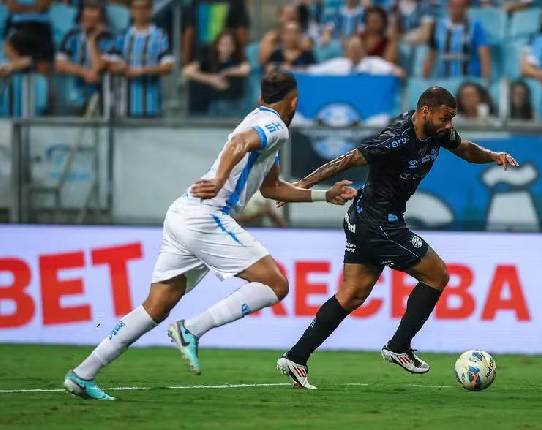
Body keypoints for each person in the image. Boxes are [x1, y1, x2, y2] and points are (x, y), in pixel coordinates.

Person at [63, 71, 357, 401]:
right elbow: (238, 143)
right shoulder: (275, 125)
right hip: (206, 216)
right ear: (294, 101)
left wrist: (323, 196)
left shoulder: (260, 120)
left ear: (261, 96)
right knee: (276, 284)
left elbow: (272, 188)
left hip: (183, 214)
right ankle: (192, 329)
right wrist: (218, 180)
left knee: (156, 307)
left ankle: (82, 373)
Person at [276, 86, 518, 389]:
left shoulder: (438, 133)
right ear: (426, 111)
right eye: (445, 118)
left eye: (452, 119)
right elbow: (349, 159)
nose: (449, 125)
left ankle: (296, 357)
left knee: (352, 294)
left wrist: (493, 156)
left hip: (367, 218)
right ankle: (399, 346)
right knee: (436, 275)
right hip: (379, 223)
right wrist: (302, 186)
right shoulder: (396, 137)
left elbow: (467, 150)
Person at [111, 0, 173, 118]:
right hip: (125, 105)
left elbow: (168, 66)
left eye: (144, 8)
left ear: (151, 11)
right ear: (131, 11)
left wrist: (141, 71)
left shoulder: (160, 35)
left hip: (153, 105)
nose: (141, 12)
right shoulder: (122, 35)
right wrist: (122, 68)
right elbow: (111, 64)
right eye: (137, 8)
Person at [55, 0, 116, 113]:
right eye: (86, 10)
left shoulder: (109, 39)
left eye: (94, 10)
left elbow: (98, 67)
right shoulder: (72, 35)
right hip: (74, 95)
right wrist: (84, 72)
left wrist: (92, 41)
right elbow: (60, 64)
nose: (89, 15)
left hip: (100, 97)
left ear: (101, 15)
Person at [184, 30, 251, 116]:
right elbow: (187, 71)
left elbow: (246, 69)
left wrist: (226, 72)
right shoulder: (208, 60)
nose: (226, 47)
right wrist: (212, 79)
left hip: (231, 104)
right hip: (210, 103)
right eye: (223, 43)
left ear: (234, 47)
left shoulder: (237, 62)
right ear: (217, 45)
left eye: (229, 44)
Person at [423, 0, 491, 80]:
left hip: (469, 82)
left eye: (460, 7)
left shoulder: (475, 26)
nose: (456, 10)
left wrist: (485, 82)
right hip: (444, 82)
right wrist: (424, 79)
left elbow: (484, 56)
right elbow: (430, 57)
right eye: (453, 6)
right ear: (449, 7)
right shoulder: (438, 27)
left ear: (466, 8)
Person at [182, 0, 250, 65]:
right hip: (200, 60)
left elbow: (241, 32)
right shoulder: (196, 2)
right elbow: (189, 30)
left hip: (224, 61)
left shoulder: (236, 2)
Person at [307, 35, 405, 77]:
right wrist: (293, 69)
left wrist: (398, 73)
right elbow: (314, 70)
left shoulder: (374, 62)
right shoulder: (338, 63)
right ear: (347, 52)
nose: (355, 52)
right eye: (352, 49)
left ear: (363, 50)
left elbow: (397, 71)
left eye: (357, 49)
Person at [2, 0, 53, 75]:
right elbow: (12, 7)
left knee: (45, 66)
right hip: (17, 26)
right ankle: (25, 63)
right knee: (8, 46)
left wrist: (20, 9)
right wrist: (34, 9)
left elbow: (42, 6)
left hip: (41, 26)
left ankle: (25, 63)